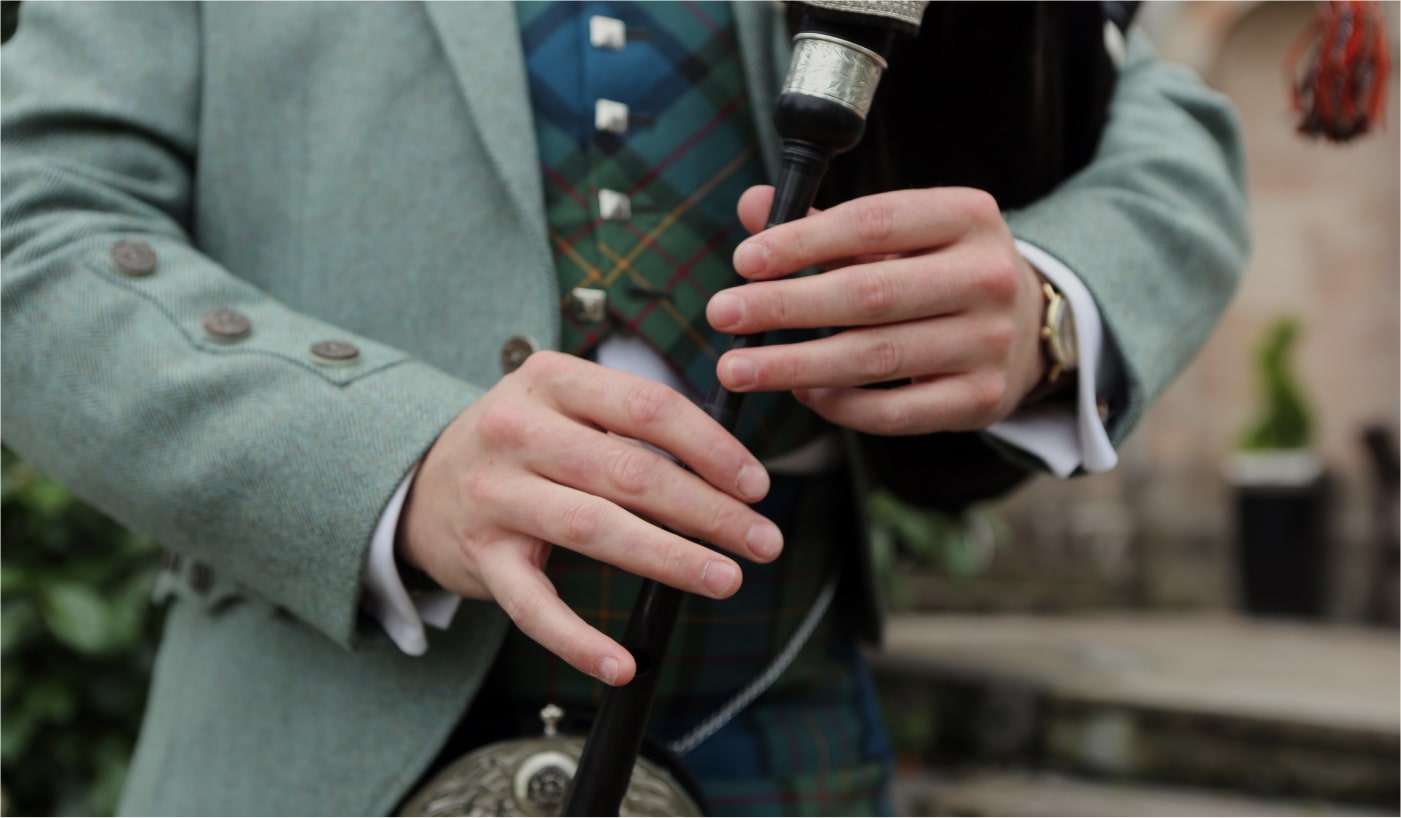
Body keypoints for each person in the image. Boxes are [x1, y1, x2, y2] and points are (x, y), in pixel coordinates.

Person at [0, 2, 1249, 815]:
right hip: (297, 756)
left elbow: (1169, 122)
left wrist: (1051, 300)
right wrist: (392, 458)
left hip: (786, 729)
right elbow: (28, 223)